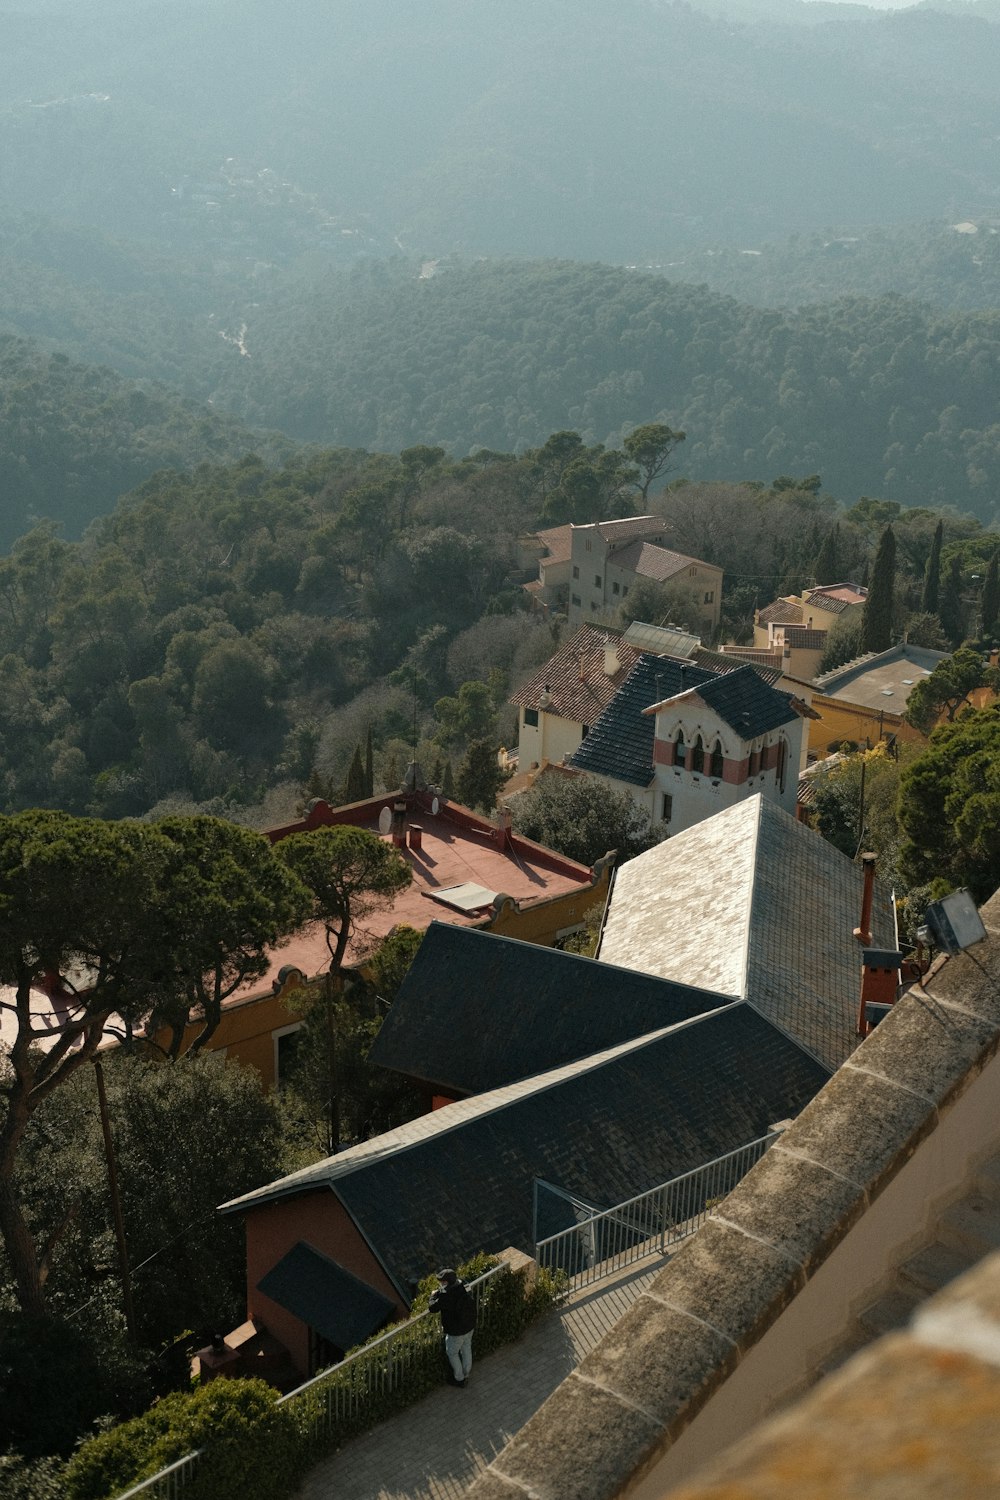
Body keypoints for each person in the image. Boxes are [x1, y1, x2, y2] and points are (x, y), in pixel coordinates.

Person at [429, 1267, 476, 1387]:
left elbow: (433, 1308)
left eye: (442, 1282)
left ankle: (459, 1379)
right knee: (466, 1348)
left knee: (452, 1353)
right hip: (469, 1325)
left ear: (446, 1282)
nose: (440, 1284)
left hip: (456, 1331)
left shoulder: (446, 1296)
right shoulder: (463, 1285)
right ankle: (466, 1373)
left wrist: (433, 1296)